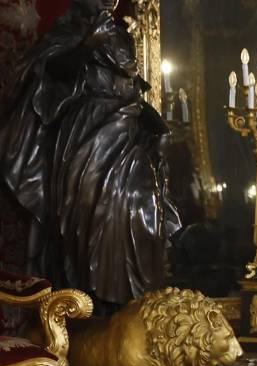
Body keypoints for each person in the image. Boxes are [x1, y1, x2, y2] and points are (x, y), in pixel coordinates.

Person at [0, 0, 180, 310]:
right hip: (88, 131)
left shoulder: (123, 37)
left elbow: (134, 91)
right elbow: (51, 72)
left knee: (146, 204)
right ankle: (96, 302)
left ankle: (140, 303)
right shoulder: (69, 28)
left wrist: (160, 130)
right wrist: (87, 44)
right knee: (95, 209)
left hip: (128, 132)